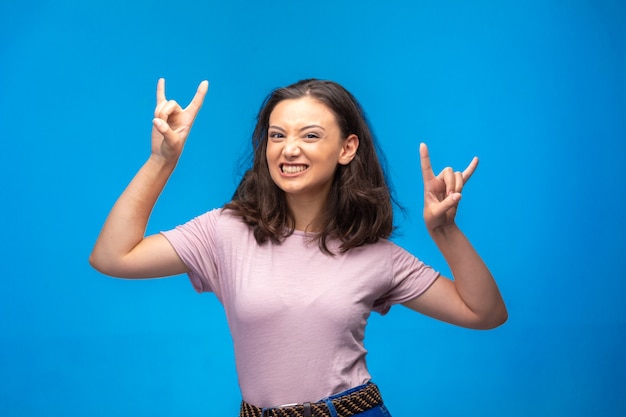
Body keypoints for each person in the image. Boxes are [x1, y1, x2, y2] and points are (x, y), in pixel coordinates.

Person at [90, 77, 507, 417]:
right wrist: (161, 160)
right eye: (277, 135)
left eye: (310, 135)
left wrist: (445, 232)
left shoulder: (376, 254)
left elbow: (485, 313)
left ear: (347, 148)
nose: (289, 149)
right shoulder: (224, 231)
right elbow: (112, 256)